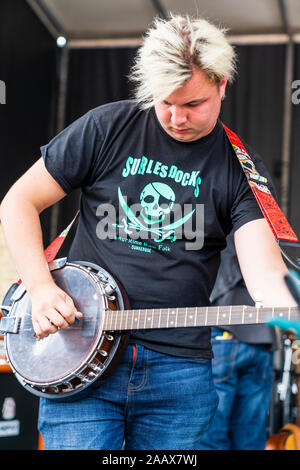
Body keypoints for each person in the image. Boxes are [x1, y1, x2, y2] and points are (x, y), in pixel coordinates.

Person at [0, 14, 296, 450]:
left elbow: (267, 276)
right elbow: (17, 202)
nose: (176, 117)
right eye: (165, 101)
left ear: (223, 85)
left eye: (193, 103)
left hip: (178, 374)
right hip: (79, 356)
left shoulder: (239, 167)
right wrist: (42, 290)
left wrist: (294, 306)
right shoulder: (107, 126)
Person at [199, 232, 277, 450]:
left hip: (225, 328)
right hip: (263, 335)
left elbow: (227, 268)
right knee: (250, 438)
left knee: (211, 437)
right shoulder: (263, 215)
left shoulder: (223, 206)